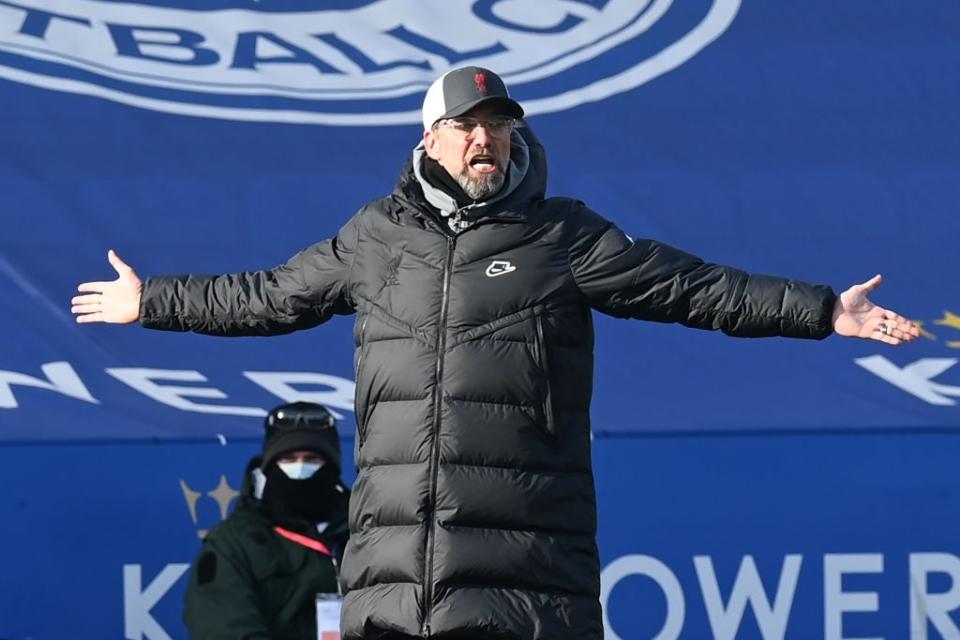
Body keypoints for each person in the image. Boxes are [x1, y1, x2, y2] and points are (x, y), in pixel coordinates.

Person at [72, 66, 918, 639]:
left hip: (525, 583)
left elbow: (691, 288)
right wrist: (154, 300)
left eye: (498, 127)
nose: (485, 141)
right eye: (466, 126)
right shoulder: (375, 238)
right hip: (394, 585)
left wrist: (819, 311)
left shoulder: (563, 236)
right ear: (429, 140)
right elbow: (266, 296)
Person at [182, 401, 350, 640]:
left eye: (312, 458)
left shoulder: (366, 533)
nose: (300, 467)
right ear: (269, 466)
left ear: (332, 466)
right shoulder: (232, 543)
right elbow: (223, 629)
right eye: (289, 459)